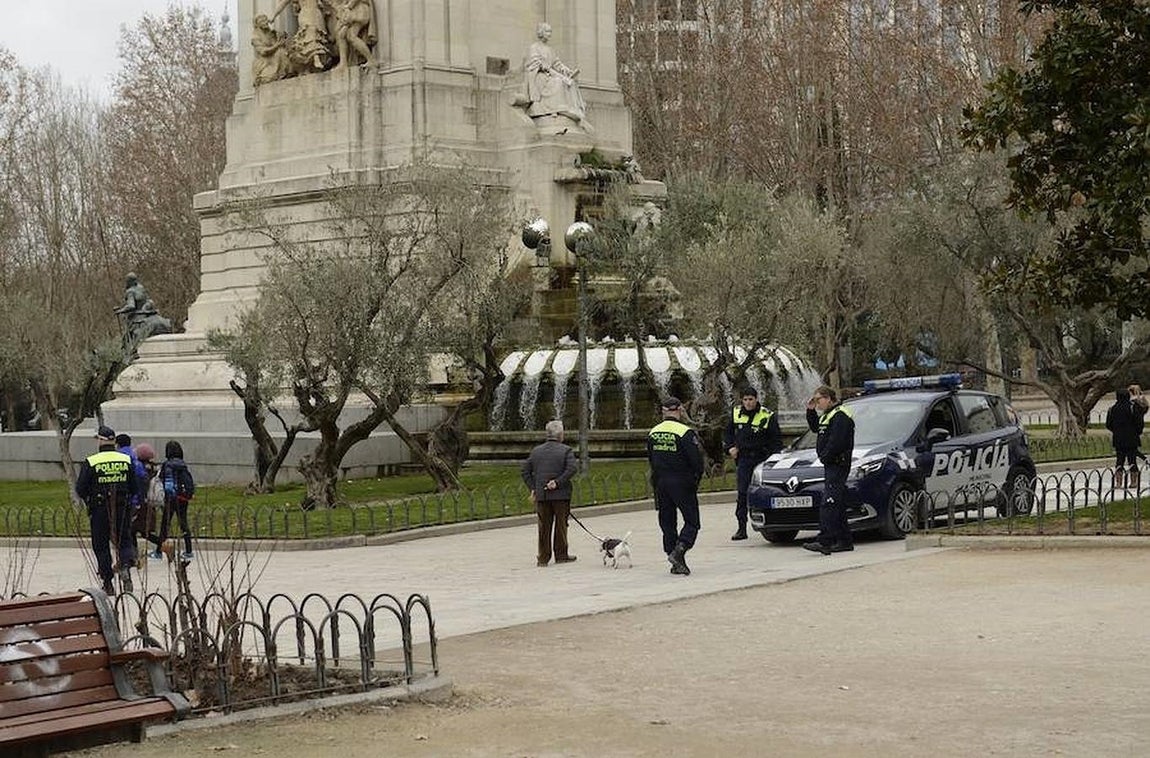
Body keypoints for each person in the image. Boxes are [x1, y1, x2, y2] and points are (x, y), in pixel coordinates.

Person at [75, 426, 139, 595]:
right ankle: (125, 567)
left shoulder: (92, 461)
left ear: (101, 440)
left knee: (101, 544)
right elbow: (134, 486)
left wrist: (90, 498)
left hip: (100, 507)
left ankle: (108, 582)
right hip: (122, 505)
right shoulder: (125, 460)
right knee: (124, 539)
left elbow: (80, 488)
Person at [648, 397, 704, 576]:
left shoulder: (654, 432)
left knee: (667, 521)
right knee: (692, 521)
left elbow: (651, 458)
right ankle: (680, 549)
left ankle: (673, 558)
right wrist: (695, 480)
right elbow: (696, 461)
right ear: (680, 410)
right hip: (682, 481)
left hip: (661, 482)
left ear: (663, 412)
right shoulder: (685, 432)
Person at [723, 387, 783, 540]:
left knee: (765, 491)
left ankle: (772, 524)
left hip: (762, 458)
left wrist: (774, 459)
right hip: (744, 459)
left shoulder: (767, 415)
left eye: (751, 399)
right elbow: (728, 433)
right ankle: (741, 528)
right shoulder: (736, 413)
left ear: (756, 399)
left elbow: (776, 440)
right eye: (745, 400)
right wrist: (730, 447)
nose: (748, 403)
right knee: (742, 493)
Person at [803, 386, 855, 555]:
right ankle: (844, 541)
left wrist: (825, 456)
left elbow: (837, 441)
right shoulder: (828, 414)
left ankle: (825, 541)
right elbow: (816, 428)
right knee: (837, 503)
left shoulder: (841, 415)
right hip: (831, 464)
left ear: (828, 398)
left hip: (837, 463)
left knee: (829, 503)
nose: (817, 403)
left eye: (818, 400)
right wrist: (810, 411)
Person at [521, 420, 579, 566]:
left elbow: (525, 471)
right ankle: (561, 555)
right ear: (560, 435)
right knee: (561, 525)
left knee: (544, 527)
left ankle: (543, 558)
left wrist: (533, 487)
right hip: (561, 495)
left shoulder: (536, 451)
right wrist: (558, 482)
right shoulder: (566, 450)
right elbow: (572, 469)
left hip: (542, 495)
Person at [524, 22, 587, 123]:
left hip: (550, 75)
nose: (549, 34)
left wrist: (567, 71)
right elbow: (534, 63)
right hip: (540, 77)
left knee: (570, 83)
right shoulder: (534, 47)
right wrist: (544, 67)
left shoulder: (550, 49)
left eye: (550, 32)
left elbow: (557, 63)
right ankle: (556, 108)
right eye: (547, 31)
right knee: (558, 82)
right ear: (541, 32)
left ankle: (573, 109)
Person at [151, 440, 196, 563]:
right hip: (183, 498)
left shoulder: (167, 465)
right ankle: (188, 550)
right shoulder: (183, 465)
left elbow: (161, 481)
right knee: (183, 522)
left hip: (171, 498)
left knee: (165, 525)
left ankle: (159, 551)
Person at [1106, 388, 1143, 490]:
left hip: (1118, 439)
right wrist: (1137, 432)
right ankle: (1133, 482)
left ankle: (1119, 482)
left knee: (1119, 461)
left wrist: (1117, 431)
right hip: (1132, 439)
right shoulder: (1133, 407)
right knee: (1132, 460)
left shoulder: (1112, 409)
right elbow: (1139, 423)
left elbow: (1108, 424)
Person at [333, 0, 376, 69]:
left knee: (351, 36)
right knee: (342, 35)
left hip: (359, 11)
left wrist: (348, 6)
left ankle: (371, 60)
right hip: (355, 11)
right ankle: (343, 62)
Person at [252, 13, 294, 85]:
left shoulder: (271, 32)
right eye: (262, 21)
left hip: (275, 57)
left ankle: (286, 73)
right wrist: (277, 46)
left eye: (265, 20)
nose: (265, 22)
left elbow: (278, 43)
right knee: (280, 52)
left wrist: (282, 38)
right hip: (265, 61)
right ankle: (279, 73)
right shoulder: (255, 37)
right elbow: (263, 52)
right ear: (257, 24)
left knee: (282, 52)